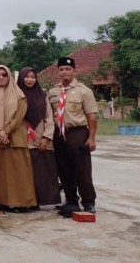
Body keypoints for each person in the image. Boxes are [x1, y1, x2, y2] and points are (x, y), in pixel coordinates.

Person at [47, 57, 99, 215]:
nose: (64, 72)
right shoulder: (53, 92)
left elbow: (92, 116)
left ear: (74, 71)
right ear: (58, 72)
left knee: (83, 170)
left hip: (77, 133)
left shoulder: (84, 91)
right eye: (61, 69)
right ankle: (71, 201)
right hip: (59, 134)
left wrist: (91, 138)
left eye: (68, 69)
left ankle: (88, 202)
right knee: (64, 169)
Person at [0, 65, 36, 212]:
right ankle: (3, 201)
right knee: (0, 172)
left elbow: (20, 114)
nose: (1, 77)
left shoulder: (18, 94)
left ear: (9, 76)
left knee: (20, 171)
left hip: (16, 137)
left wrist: (6, 131)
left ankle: (23, 203)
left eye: (4, 75)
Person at [18, 67, 61, 208]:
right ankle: (28, 201)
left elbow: (49, 117)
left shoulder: (42, 95)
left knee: (43, 172)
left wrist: (47, 137)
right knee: (26, 173)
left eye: (33, 77)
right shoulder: (16, 94)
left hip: (41, 137)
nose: (30, 80)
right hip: (23, 138)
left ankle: (43, 200)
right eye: (27, 76)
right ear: (21, 78)